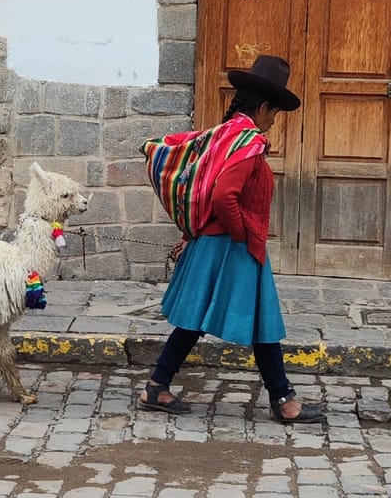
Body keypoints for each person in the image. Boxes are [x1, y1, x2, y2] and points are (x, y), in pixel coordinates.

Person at [138, 55, 323, 424]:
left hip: (212, 240)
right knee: (263, 322)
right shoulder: (249, 141)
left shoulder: (224, 134)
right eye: (275, 112)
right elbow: (224, 194)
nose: (274, 120)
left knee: (194, 320)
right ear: (265, 106)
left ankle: (157, 386)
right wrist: (242, 234)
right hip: (232, 244)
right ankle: (284, 400)